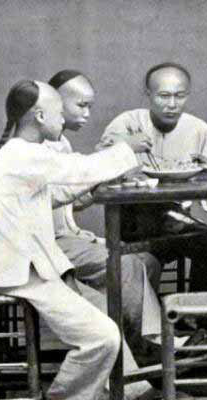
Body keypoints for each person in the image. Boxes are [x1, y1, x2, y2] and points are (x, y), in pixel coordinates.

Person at [0, 80, 154, 400]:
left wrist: (99, 176)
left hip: (35, 267)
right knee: (103, 335)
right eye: (58, 112)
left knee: (103, 314)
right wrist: (125, 149)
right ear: (40, 115)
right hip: (23, 273)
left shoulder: (22, 153)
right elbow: (77, 170)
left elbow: (53, 194)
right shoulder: (22, 154)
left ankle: (132, 390)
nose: (62, 119)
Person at [45, 70, 163, 366]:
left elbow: (69, 202)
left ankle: (138, 345)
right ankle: (146, 348)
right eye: (81, 105)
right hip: (47, 245)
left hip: (67, 238)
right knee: (127, 265)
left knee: (147, 261)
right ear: (55, 104)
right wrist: (118, 153)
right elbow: (57, 195)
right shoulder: (38, 147)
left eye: (90, 106)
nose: (87, 113)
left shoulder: (61, 143)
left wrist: (103, 178)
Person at [98, 63, 207, 292]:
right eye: (164, 96)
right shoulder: (127, 123)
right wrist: (124, 148)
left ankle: (196, 311)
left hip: (176, 218)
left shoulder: (198, 129)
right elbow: (99, 170)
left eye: (180, 96)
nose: (172, 104)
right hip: (130, 221)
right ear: (148, 94)